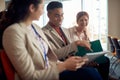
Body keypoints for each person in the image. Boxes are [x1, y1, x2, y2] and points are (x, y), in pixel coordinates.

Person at [0, 0, 102, 80]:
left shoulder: (35, 27)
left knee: (92, 72)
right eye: (42, 6)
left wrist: (72, 62)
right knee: (90, 74)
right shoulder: (13, 32)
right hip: (45, 75)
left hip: (53, 69)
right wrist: (64, 65)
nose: (43, 11)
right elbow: (30, 76)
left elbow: (49, 58)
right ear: (32, 8)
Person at [42, 1, 108, 80]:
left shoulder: (65, 30)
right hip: (61, 66)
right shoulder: (44, 32)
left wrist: (85, 60)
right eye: (57, 16)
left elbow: (72, 50)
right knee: (91, 72)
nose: (60, 19)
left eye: (62, 15)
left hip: (74, 60)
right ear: (48, 15)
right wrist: (76, 43)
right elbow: (54, 55)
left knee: (103, 62)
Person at [65, 11, 110, 80]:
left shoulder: (86, 32)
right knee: (93, 68)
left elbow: (90, 48)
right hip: (76, 57)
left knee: (106, 60)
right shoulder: (69, 31)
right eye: (81, 20)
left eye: (86, 20)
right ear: (77, 21)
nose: (84, 22)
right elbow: (68, 47)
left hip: (87, 57)